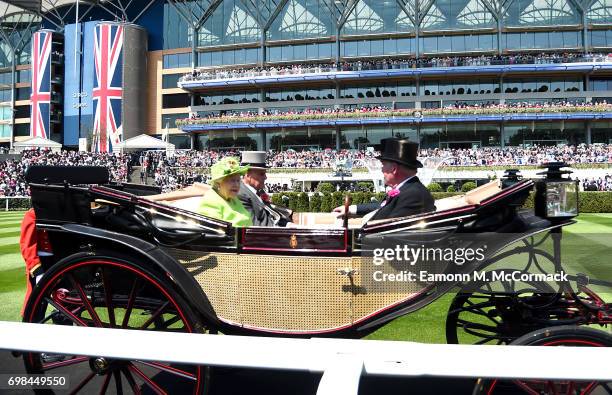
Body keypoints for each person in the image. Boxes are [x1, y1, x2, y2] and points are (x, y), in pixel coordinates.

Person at [334, 138, 435, 221]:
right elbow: (384, 207)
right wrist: (352, 209)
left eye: (383, 164)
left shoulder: (412, 195)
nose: (381, 169)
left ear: (394, 169)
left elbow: (386, 230)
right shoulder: (410, 190)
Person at [237, 151, 292, 227]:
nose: (265, 177)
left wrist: (290, 225)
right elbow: (255, 226)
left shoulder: (258, 192)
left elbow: (271, 215)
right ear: (248, 174)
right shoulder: (241, 194)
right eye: (262, 174)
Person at [198, 157, 253, 227]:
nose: (236, 185)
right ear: (218, 183)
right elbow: (217, 233)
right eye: (232, 180)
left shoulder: (234, 199)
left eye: (238, 180)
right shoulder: (210, 202)